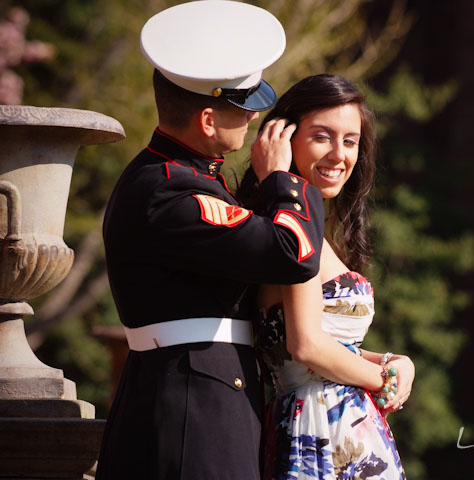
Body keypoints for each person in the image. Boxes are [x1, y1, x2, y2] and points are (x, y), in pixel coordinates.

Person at [96, 3, 326, 479]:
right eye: (242, 110)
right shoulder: (171, 190)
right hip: (193, 407)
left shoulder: (176, 178)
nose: (251, 121)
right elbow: (292, 254)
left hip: (194, 391)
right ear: (206, 120)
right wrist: (282, 180)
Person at [237, 74, 413, 480]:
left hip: (341, 426)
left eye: (350, 141)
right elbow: (307, 346)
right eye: (322, 137)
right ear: (283, 138)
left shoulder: (307, 228)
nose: (339, 154)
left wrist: (395, 362)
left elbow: (323, 344)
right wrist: (381, 380)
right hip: (319, 428)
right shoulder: (288, 228)